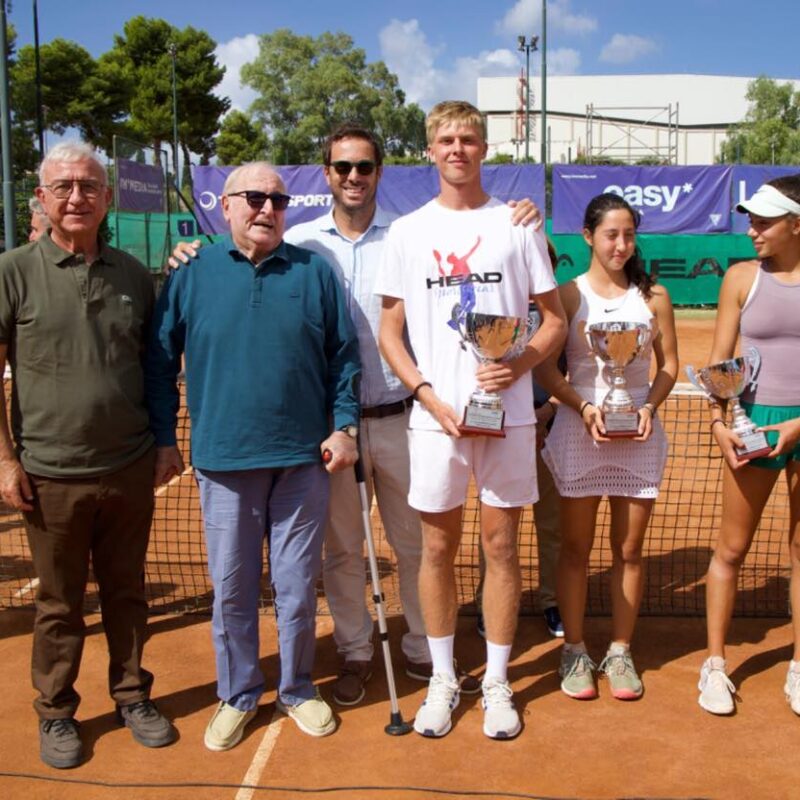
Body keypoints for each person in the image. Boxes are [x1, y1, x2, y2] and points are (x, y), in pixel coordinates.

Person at [169, 124, 541, 707]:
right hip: (334, 426)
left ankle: (424, 648)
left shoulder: (411, 232)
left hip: (405, 414)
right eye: (341, 167)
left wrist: (520, 213)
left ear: (378, 172)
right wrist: (190, 251)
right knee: (341, 549)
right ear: (326, 174)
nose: (353, 177)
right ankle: (356, 650)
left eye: (364, 167)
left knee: (415, 542)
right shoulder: (305, 244)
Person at [146, 162, 361, 749]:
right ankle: (238, 693)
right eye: (255, 198)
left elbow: (344, 357)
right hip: (223, 461)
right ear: (228, 205)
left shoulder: (315, 271)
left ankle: (295, 688)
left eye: (278, 199)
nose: (267, 208)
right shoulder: (192, 272)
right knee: (234, 587)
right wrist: (166, 440)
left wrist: (345, 426)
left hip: (302, 462)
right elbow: (161, 364)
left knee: (295, 586)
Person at [377, 100, 567, 740]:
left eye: (468, 139)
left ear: (485, 149)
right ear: (429, 150)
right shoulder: (405, 233)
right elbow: (390, 331)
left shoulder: (518, 226)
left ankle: (494, 682)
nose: (457, 149)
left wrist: (519, 368)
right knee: (435, 548)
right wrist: (427, 394)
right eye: (445, 140)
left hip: (508, 419)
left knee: (502, 547)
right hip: (435, 420)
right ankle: (441, 678)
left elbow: (554, 319)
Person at [0, 141, 175, 770]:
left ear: (108, 199)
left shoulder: (133, 274)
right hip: (49, 475)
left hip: (128, 467)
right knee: (58, 603)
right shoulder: (12, 270)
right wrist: (4, 460)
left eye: (89, 187)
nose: (77, 197)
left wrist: (163, 442)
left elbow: (155, 370)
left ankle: (132, 695)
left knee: (128, 592)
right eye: (64, 186)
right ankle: (56, 712)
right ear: (42, 199)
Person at [535, 192, 678, 702]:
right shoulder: (568, 295)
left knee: (630, 550)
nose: (621, 244)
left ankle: (620, 649)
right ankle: (574, 650)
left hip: (637, 432)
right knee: (575, 550)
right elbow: (547, 369)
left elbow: (669, 367)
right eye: (611, 234)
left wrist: (648, 408)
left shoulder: (654, 296)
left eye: (629, 234)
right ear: (589, 237)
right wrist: (582, 406)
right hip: (581, 430)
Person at [698, 175, 800, 716]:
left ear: (797, 224)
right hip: (753, 426)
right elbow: (719, 364)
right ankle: (714, 665)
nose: (753, 229)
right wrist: (721, 423)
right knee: (731, 550)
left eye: (765, 221)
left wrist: (797, 427)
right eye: (751, 219)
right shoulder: (740, 277)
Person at [475, 239, 565, 640]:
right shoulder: (495, 312)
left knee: (552, 526)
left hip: (549, 432)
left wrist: (545, 415)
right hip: (499, 433)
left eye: (544, 260)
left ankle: (551, 602)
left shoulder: (560, 312)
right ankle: (485, 604)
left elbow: (573, 373)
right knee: (494, 530)